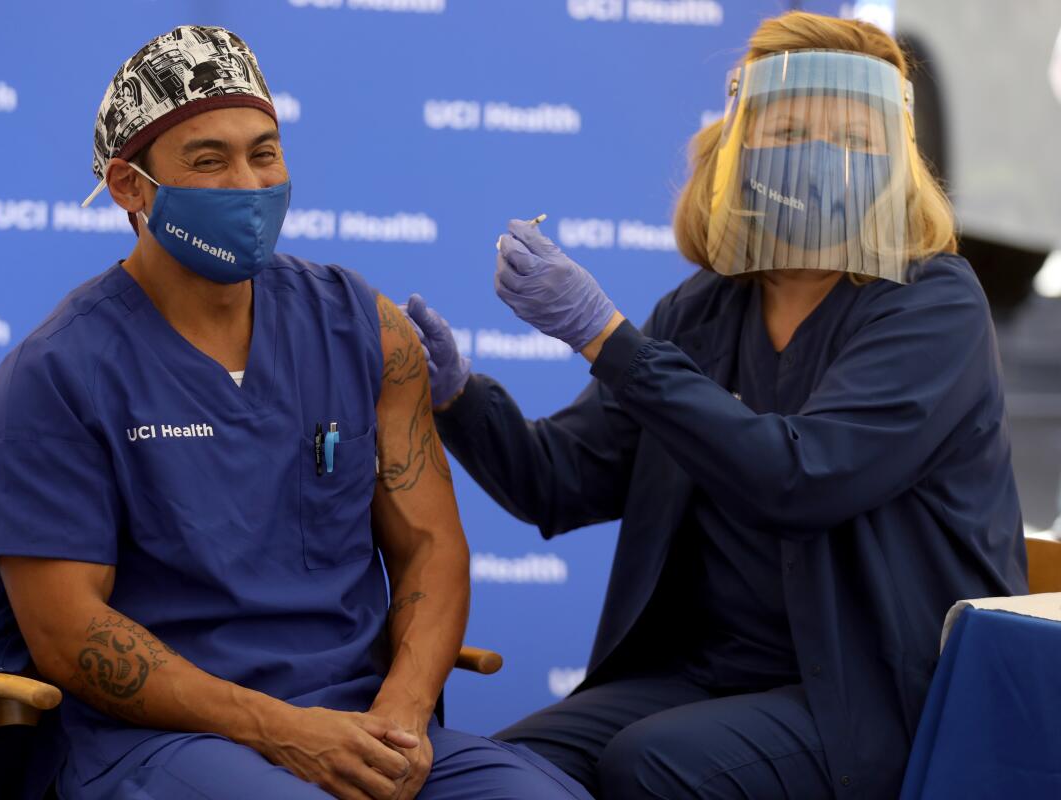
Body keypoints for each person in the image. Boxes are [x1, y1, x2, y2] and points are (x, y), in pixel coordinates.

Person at [403, 12, 1026, 800]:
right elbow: (557, 482)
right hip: (702, 678)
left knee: (651, 766)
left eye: (856, 141)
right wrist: (457, 393)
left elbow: (802, 479)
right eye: (791, 131)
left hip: (870, 695)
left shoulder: (932, 305)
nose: (820, 161)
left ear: (898, 165)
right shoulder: (701, 311)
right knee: (491, 773)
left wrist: (606, 338)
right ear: (737, 153)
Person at [0, 25, 589, 800]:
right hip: (168, 744)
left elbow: (432, 546)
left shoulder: (364, 326)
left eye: (263, 153)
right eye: (209, 160)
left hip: (365, 722)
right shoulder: (58, 374)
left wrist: (401, 718)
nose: (248, 183)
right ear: (131, 188)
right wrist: (284, 732)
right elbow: (68, 633)